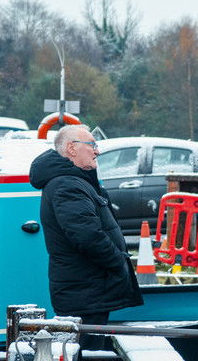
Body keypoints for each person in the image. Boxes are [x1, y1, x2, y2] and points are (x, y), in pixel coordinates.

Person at [29, 124, 143, 349]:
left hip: (87, 291)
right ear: (71, 148)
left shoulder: (73, 182)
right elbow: (87, 236)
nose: (97, 151)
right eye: (92, 145)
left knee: (86, 354)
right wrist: (117, 262)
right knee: (85, 358)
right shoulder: (67, 185)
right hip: (85, 294)